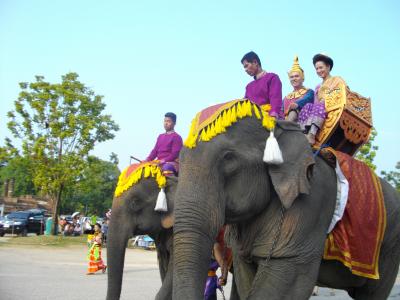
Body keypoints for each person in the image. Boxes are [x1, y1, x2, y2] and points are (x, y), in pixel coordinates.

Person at [298, 53, 343, 145]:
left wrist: (326, 100)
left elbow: (343, 94)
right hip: (319, 111)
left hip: (332, 107)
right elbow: (315, 103)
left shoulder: (337, 80)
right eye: (317, 69)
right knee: (308, 105)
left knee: (320, 105)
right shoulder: (318, 87)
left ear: (328, 67)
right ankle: (303, 133)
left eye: (321, 67)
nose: (319, 70)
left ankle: (312, 134)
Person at [241, 51, 283, 119]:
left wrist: (273, 115)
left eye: (246, 66)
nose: (245, 70)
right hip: (253, 118)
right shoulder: (249, 87)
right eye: (244, 68)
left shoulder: (272, 77)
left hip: (269, 116)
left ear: (255, 62)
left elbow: (275, 99)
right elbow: (245, 104)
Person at [283, 56, 315, 122]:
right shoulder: (286, 98)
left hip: (302, 122)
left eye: (296, 76)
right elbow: (280, 111)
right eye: (291, 77)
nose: (294, 79)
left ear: (302, 78)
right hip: (284, 125)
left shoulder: (309, 92)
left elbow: (307, 99)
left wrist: (297, 104)